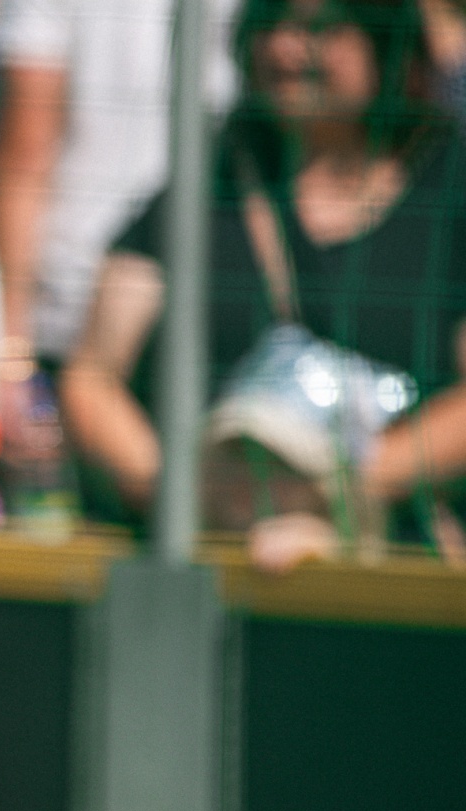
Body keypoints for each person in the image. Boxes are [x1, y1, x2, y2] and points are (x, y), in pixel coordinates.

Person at [60, 0, 466, 569]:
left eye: (321, 28)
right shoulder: (210, 180)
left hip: (391, 573)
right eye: (269, 24)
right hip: (212, 567)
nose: (284, 48)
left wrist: (335, 492)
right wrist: (186, 497)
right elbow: (92, 376)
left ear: (387, 38)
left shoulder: (450, 186)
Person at [0, 0, 239, 487]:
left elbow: (22, 156)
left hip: (184, 314)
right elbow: (23, 155)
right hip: (85, 316)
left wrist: (11, 354)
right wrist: (14, 356)